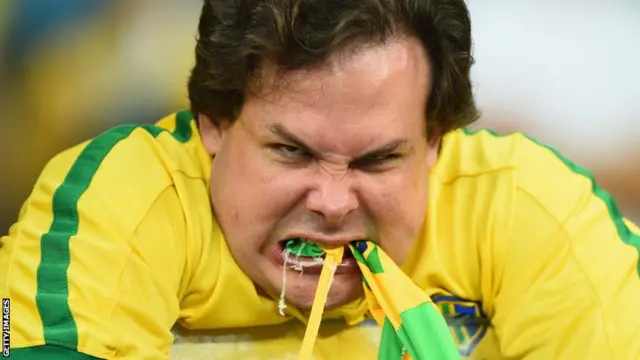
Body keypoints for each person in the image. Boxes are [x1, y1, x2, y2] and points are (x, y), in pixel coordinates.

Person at [2, 0, 639, 359]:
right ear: (214, 123)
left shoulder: (530, 208)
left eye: (377, 160)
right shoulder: (113, 204)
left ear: (435, 144)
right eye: (291, 152)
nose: (333, 204)